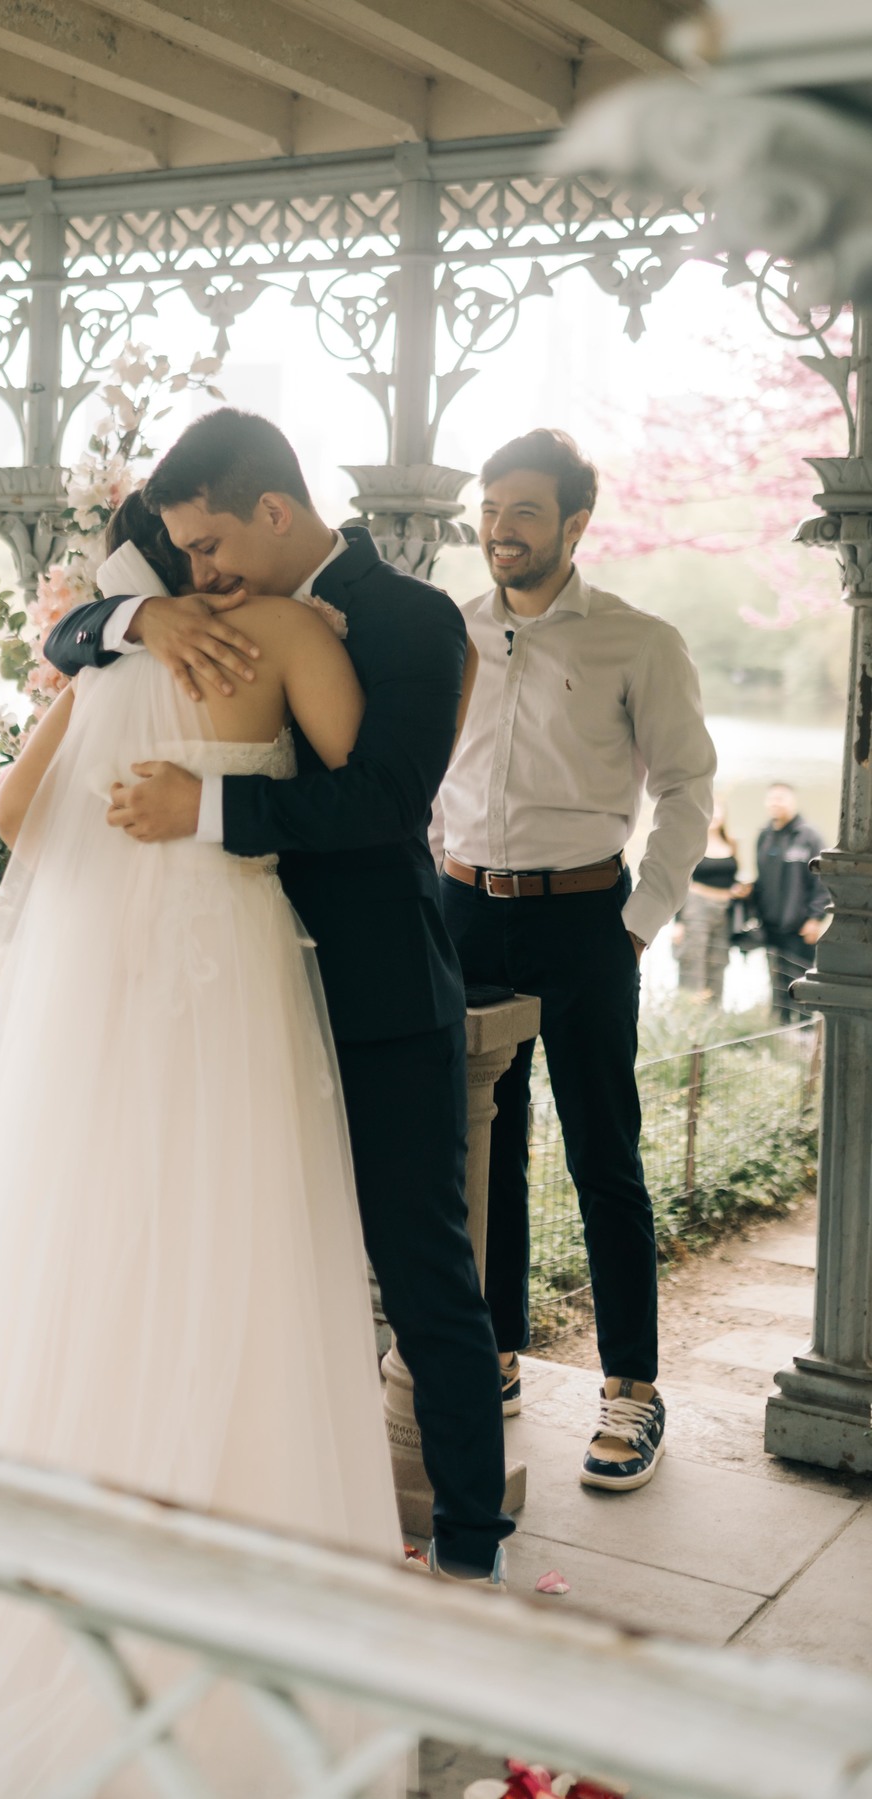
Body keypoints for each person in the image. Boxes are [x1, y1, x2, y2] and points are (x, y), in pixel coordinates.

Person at [0, 509, 411, 1797]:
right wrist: (223, 797)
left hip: (103, 1007)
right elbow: (375, 786)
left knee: (80, 1258)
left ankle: (49, 1580)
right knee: (235, 1258)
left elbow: (15, 815)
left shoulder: (103, 658)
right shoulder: (295, 632)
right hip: (224, 979)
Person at [45, 408, 512, 1585]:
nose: (199, 574)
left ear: (270, 509)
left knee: (422, 1272)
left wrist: (204, 808)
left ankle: (469, 1549)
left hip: (375, 996)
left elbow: (385, 802)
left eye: (207, 549)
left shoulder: (412, 618)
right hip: (229, 999)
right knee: (241, 1258)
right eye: (183, 560)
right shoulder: (195, 601)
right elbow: (66, 642)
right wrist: (137, 612)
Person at [437, 428, 715, 1492]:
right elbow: (430, 771)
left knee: (606, 1153)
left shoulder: (638, 641)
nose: (500, 530)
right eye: (491, 508)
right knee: (482, 1146)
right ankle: (496, 1354)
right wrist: (435, 875)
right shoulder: (453, 632)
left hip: (585, 919)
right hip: (466, 915)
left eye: (523, 512)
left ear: (574, 524)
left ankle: (632, 1390)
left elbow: (687, 784)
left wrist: (640, 918)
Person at [749, 782, 829, 1021]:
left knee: (802, 979)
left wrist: (816, 918)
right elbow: (761, 879)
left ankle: (804, 1029)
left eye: (781, 798)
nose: (776, 803)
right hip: (770, 924)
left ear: (793, 801)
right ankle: (781, 1026)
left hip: (800, 925)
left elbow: (823, 880)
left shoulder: (809, 836)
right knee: (776, 978)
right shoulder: (764, 836)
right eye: (772, 798)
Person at [675, 799, 742, 1000]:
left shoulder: (731, 843)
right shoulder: (692, 843)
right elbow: (681, 882)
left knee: (719, 961)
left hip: (724, 909)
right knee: (693, 961)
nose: (714, 816)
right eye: (710, 812)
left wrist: (738, 888)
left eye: (718, 812)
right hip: (697, 907)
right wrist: (678, 923)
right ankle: (689, 1016)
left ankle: (714, 1019)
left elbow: (732, 876)